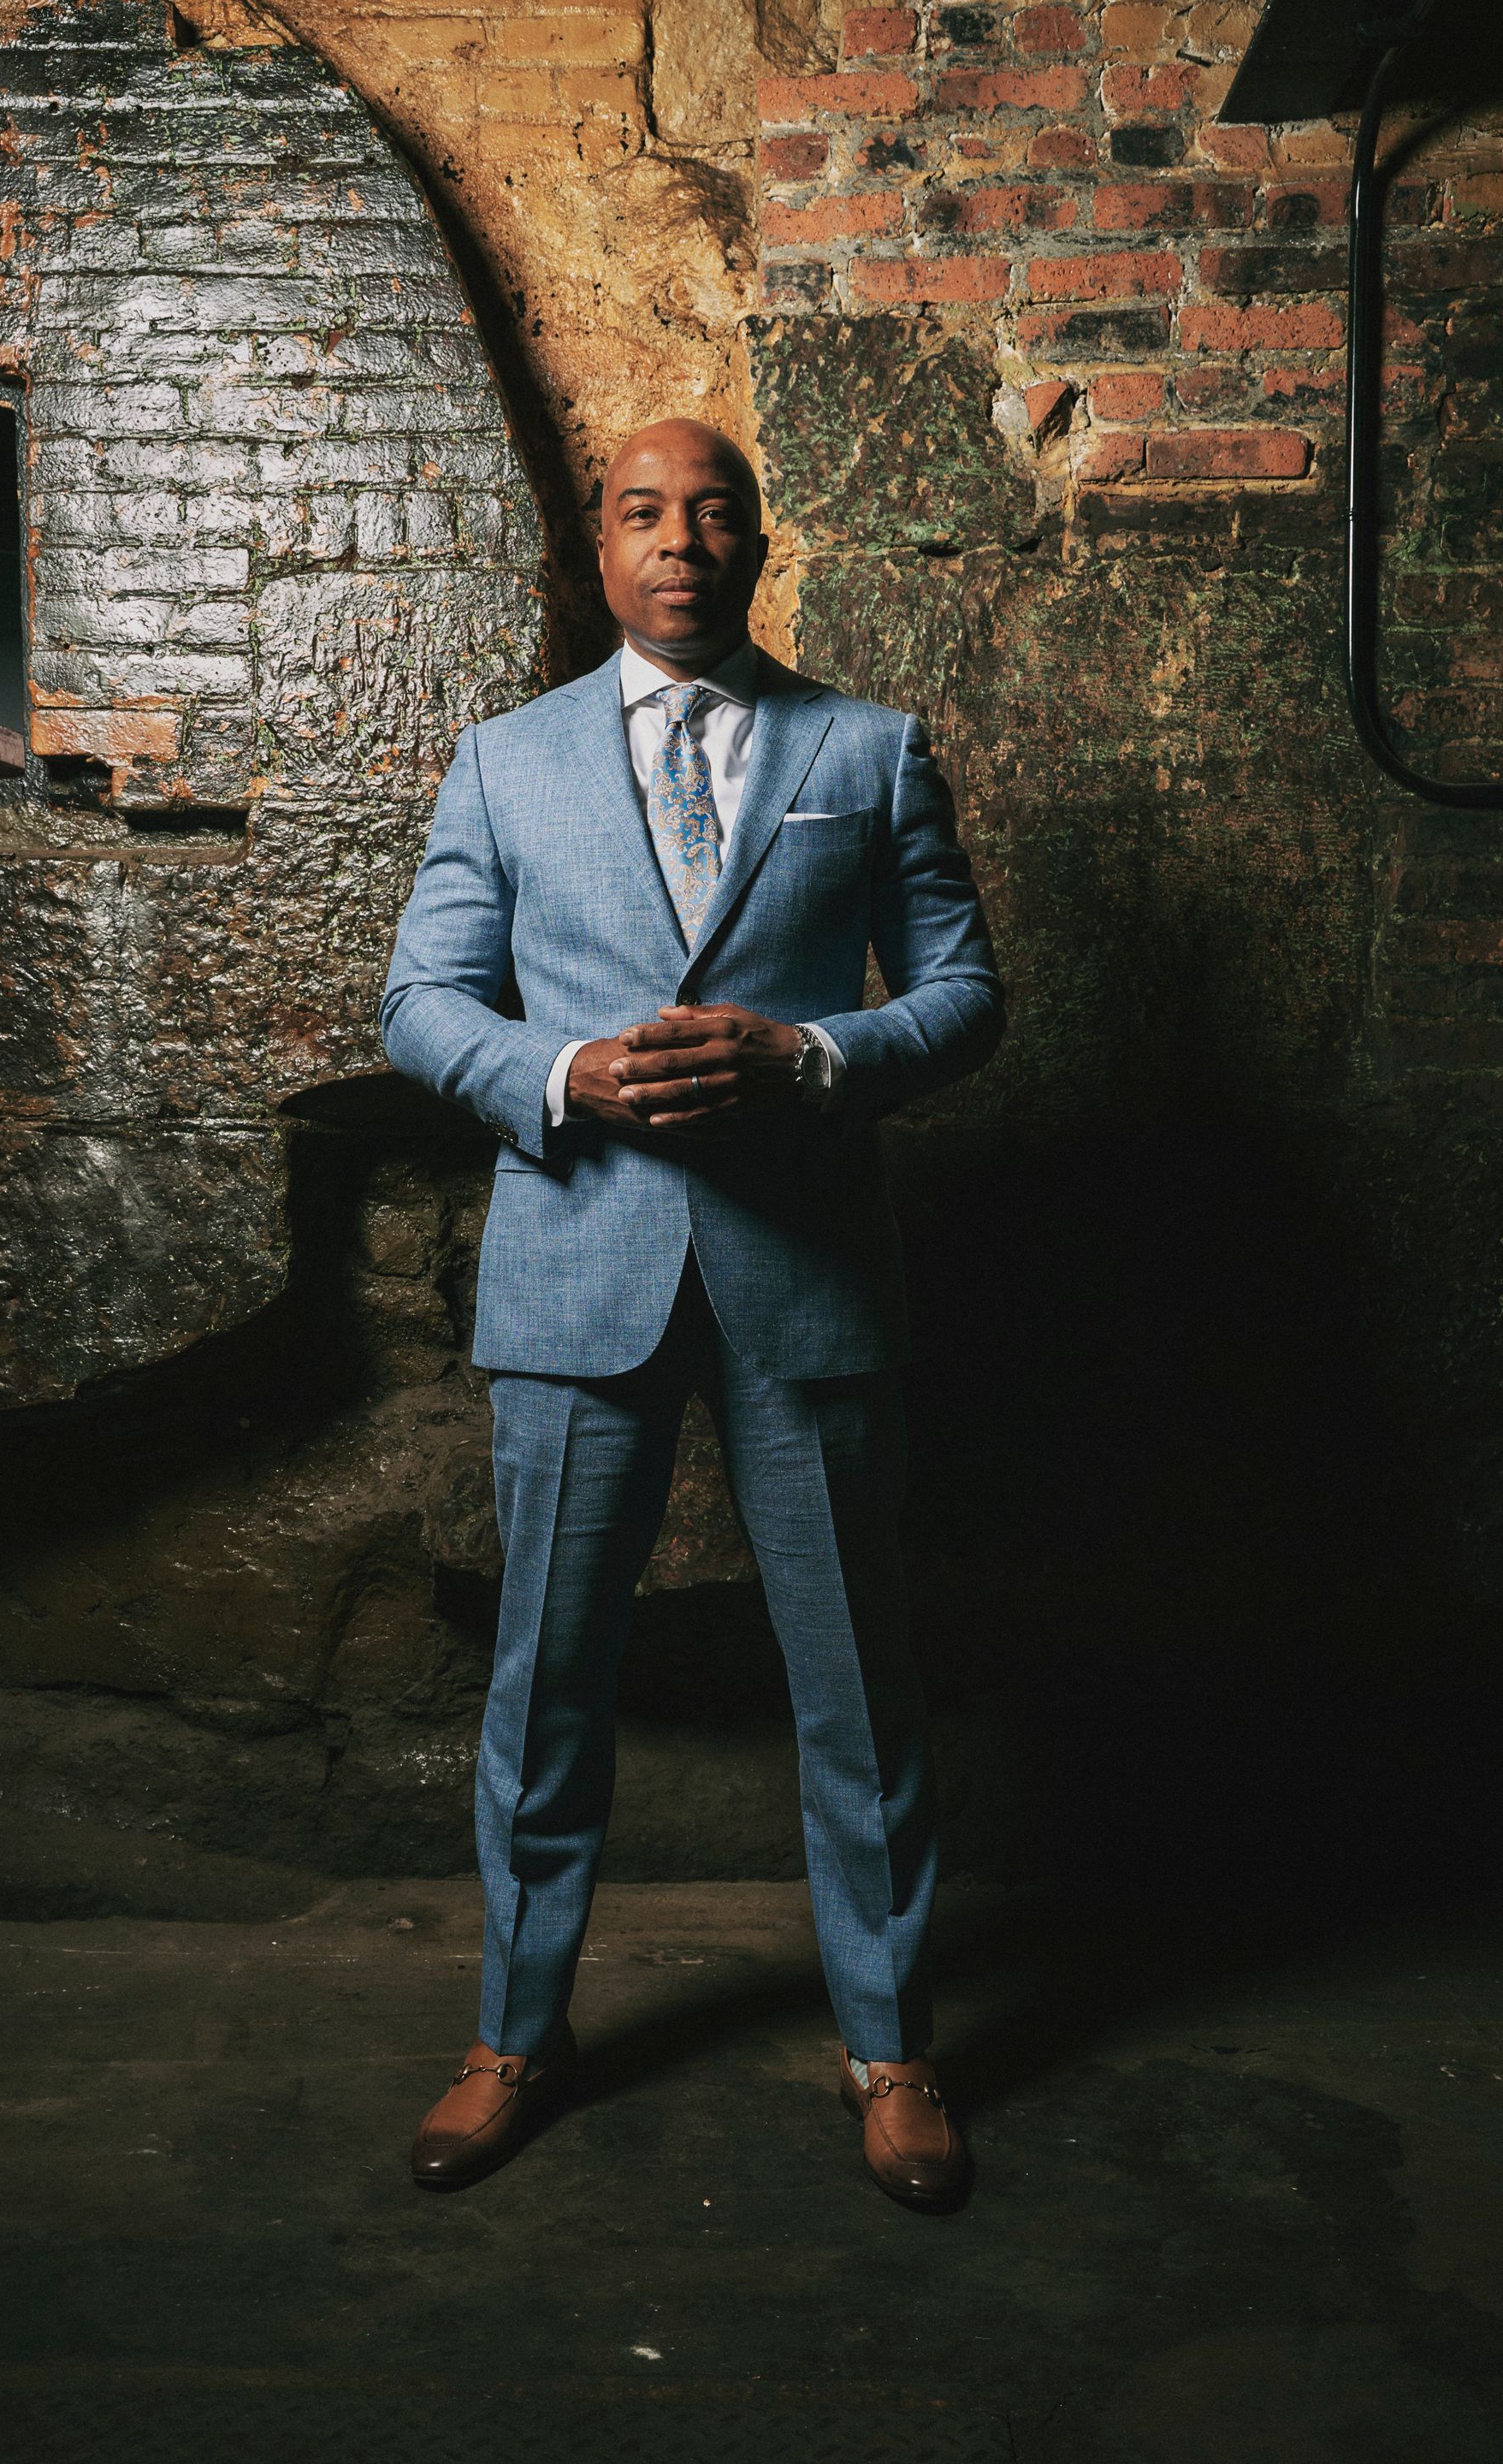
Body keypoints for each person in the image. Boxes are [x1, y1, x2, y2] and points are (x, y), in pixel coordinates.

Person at [379, 418, 1003, 2210]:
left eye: (715, 510)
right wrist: (563, 1071)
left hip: (804, 1277)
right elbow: (422, 1002)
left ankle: (891, 2048)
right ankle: (516, 2036)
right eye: (646, 512)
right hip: (580, 1268)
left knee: (858, 1681)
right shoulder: (504, 761)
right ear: (601, 547)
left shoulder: (866, 748)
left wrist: (814, 1055)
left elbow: (965, 993)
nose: (681, 539)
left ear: (756, 540)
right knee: (546, 1679)